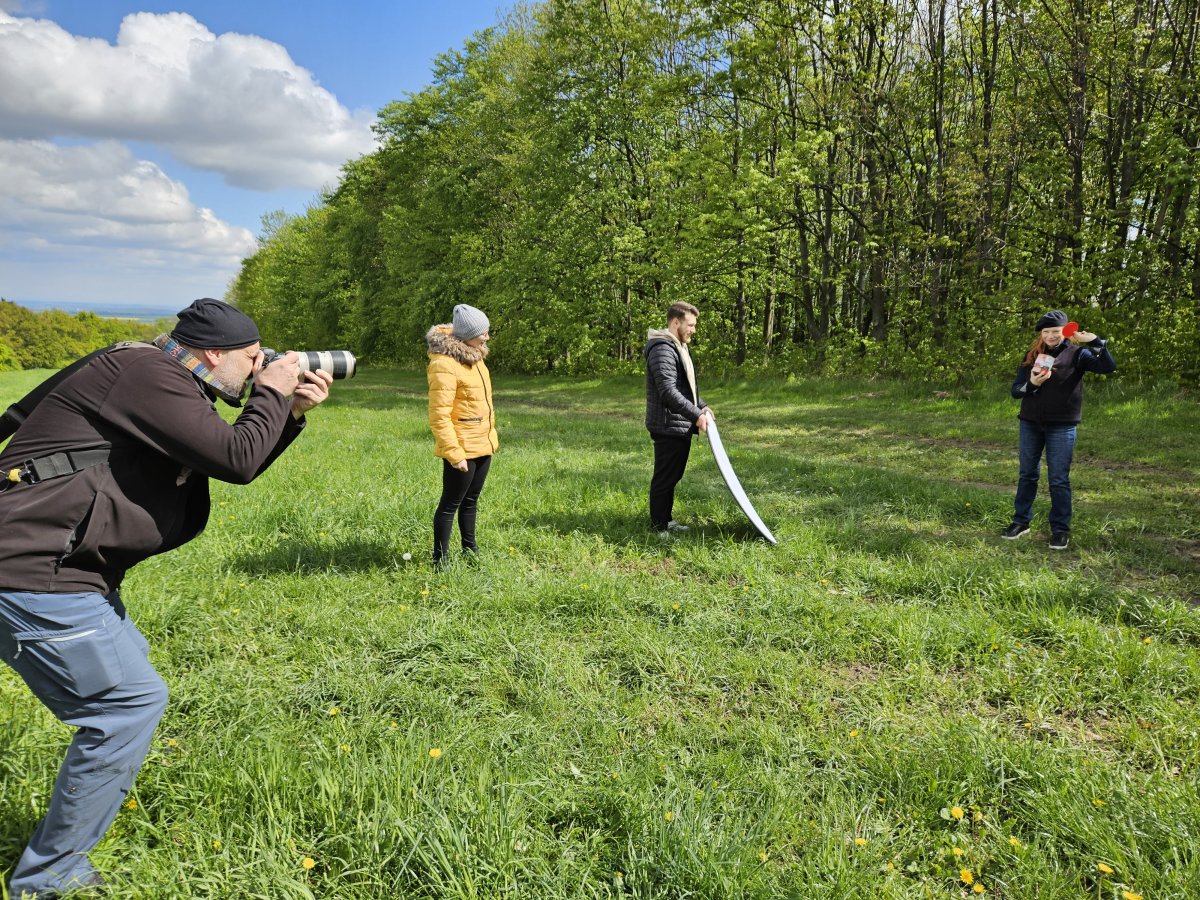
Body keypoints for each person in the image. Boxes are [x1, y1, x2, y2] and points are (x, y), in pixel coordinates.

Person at [0, 298, 333, 898]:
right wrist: (273, 393)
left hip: (65, 570)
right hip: (30, 570)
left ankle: (79, 825)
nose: (262, 365)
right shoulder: (148, 376)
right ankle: (48, 878)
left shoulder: (160, 376)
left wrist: (288, 411)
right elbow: (234, 458)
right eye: (254, 357)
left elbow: (232, 456)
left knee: (131, 674)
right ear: (213, 354)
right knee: (127, 705)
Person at [1003, 309, 1116, 550]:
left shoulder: (1078, 354)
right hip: (1030, 423)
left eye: (1055, 331)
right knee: (1027, 474)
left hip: (1062, 426)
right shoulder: (1032, 354)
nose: (1051, 336)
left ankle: (1060, 529)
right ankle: (1021, 522)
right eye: (1046, 332)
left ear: (1065, 332)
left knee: (1058, 479)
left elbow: (1108, 367)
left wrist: (1096, 342)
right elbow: (1016, 391)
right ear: (1041, 334)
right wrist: (1032, 384)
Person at [426, 304, 498, 567]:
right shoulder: (443, 364)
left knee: (471, 501)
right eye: (483, 333)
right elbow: (439, 415)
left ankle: (470, 551)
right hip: (462, 447)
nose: (487, 337)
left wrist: (490, 438)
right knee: (450, 505)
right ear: (467, 333)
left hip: (483, 442)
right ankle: (440, 561)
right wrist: (453, 453)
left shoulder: (476, 356)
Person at [644, 301, 712, 537]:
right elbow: (668, 392)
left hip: (677, 424)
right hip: (667, 425)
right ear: (675, 323)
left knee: (673, 475)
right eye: (690, 325)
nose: (693, 330)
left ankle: (665, 519)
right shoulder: (663, 349)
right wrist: (696, 415)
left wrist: (702, 406)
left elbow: (686, 387)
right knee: (665, 477)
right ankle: (658, 527)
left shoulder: (677, 347)